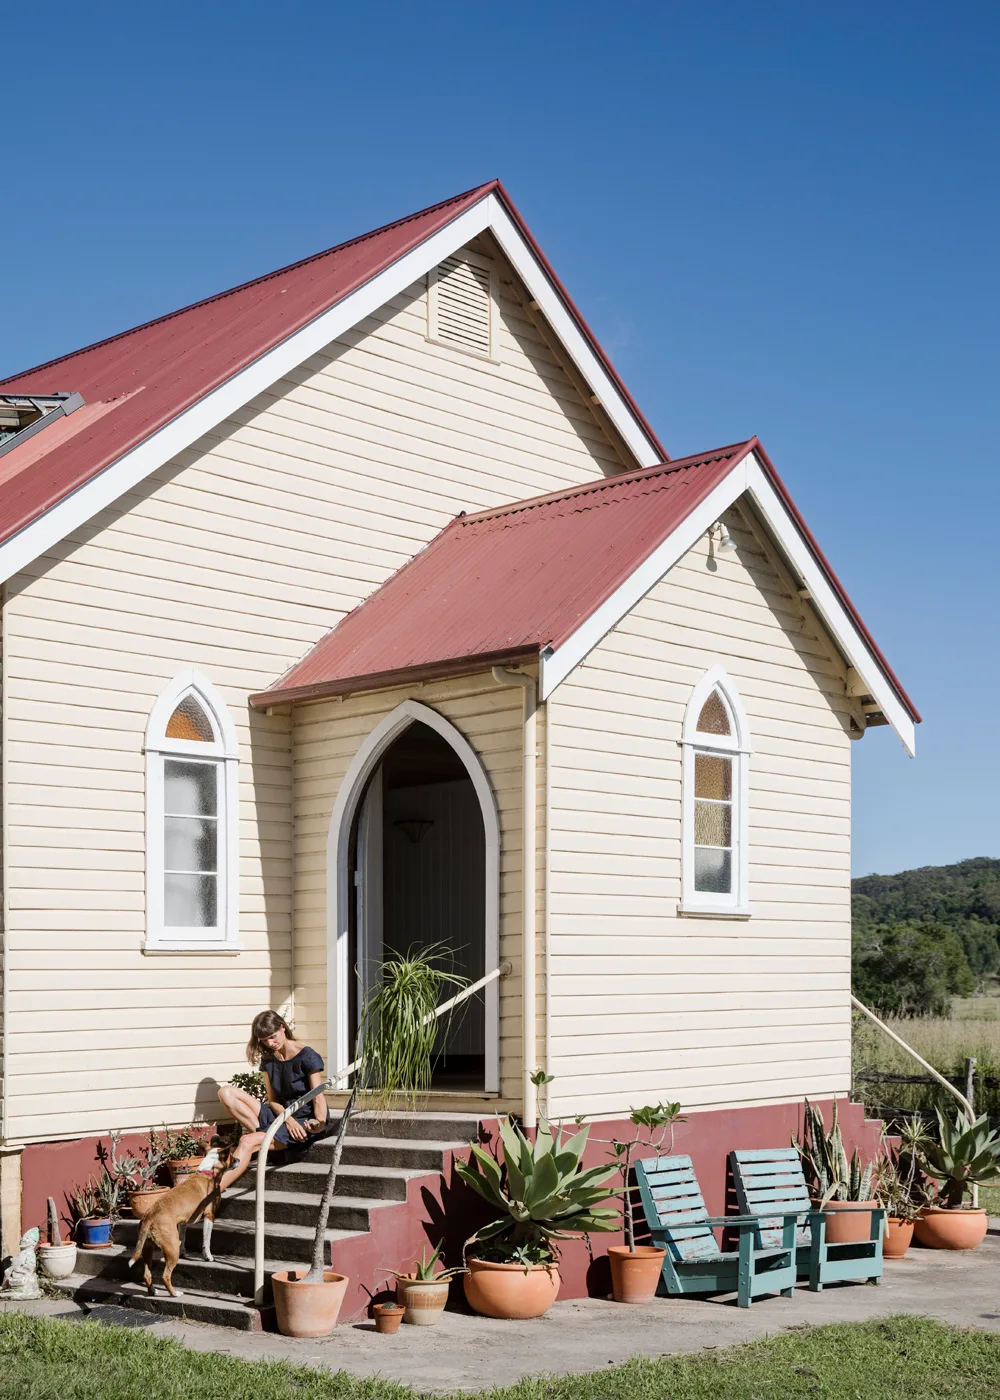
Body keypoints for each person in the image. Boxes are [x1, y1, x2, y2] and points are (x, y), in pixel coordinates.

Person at [216, 1011, 328, 1189]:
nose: (270, 1043)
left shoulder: (307, 1055)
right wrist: (287, 1119)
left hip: (302, 1119)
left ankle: (210, 1195)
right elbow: (273, 1100)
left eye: (272, 1037)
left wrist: (319, 1124)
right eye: (264, 1040)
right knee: (226, 1092)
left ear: (282, 1027)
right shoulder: (269, 1058)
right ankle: (265, 1140)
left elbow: (318, 1097)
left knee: (246, 1141)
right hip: (282, 1114)